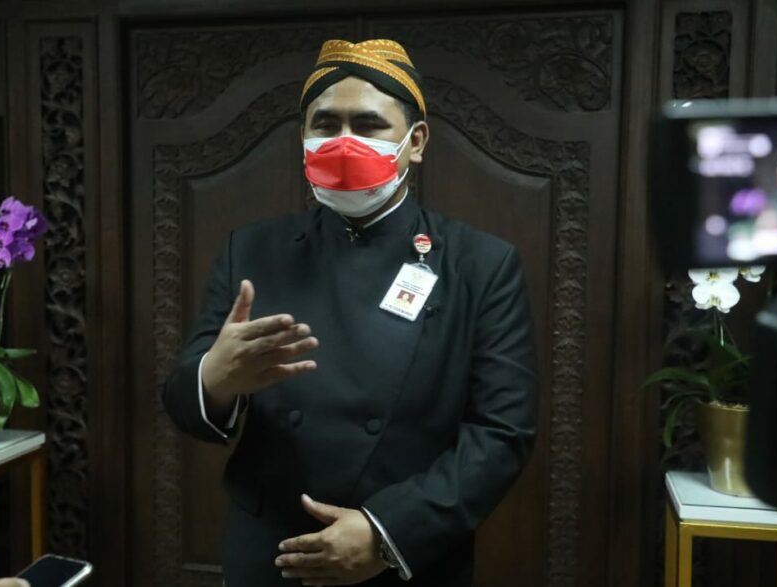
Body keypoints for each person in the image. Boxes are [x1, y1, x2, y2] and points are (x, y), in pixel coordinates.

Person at [164, 39, 537, 587]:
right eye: (326, 124)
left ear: (416, 142)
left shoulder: (480, 264)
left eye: (367, 125)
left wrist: (385, 533)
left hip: (409, 555)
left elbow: (502, 434)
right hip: (271, 553)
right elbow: (182, 399)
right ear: (303, 137)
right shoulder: (252, 249)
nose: (343, 141)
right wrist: (214, 381)